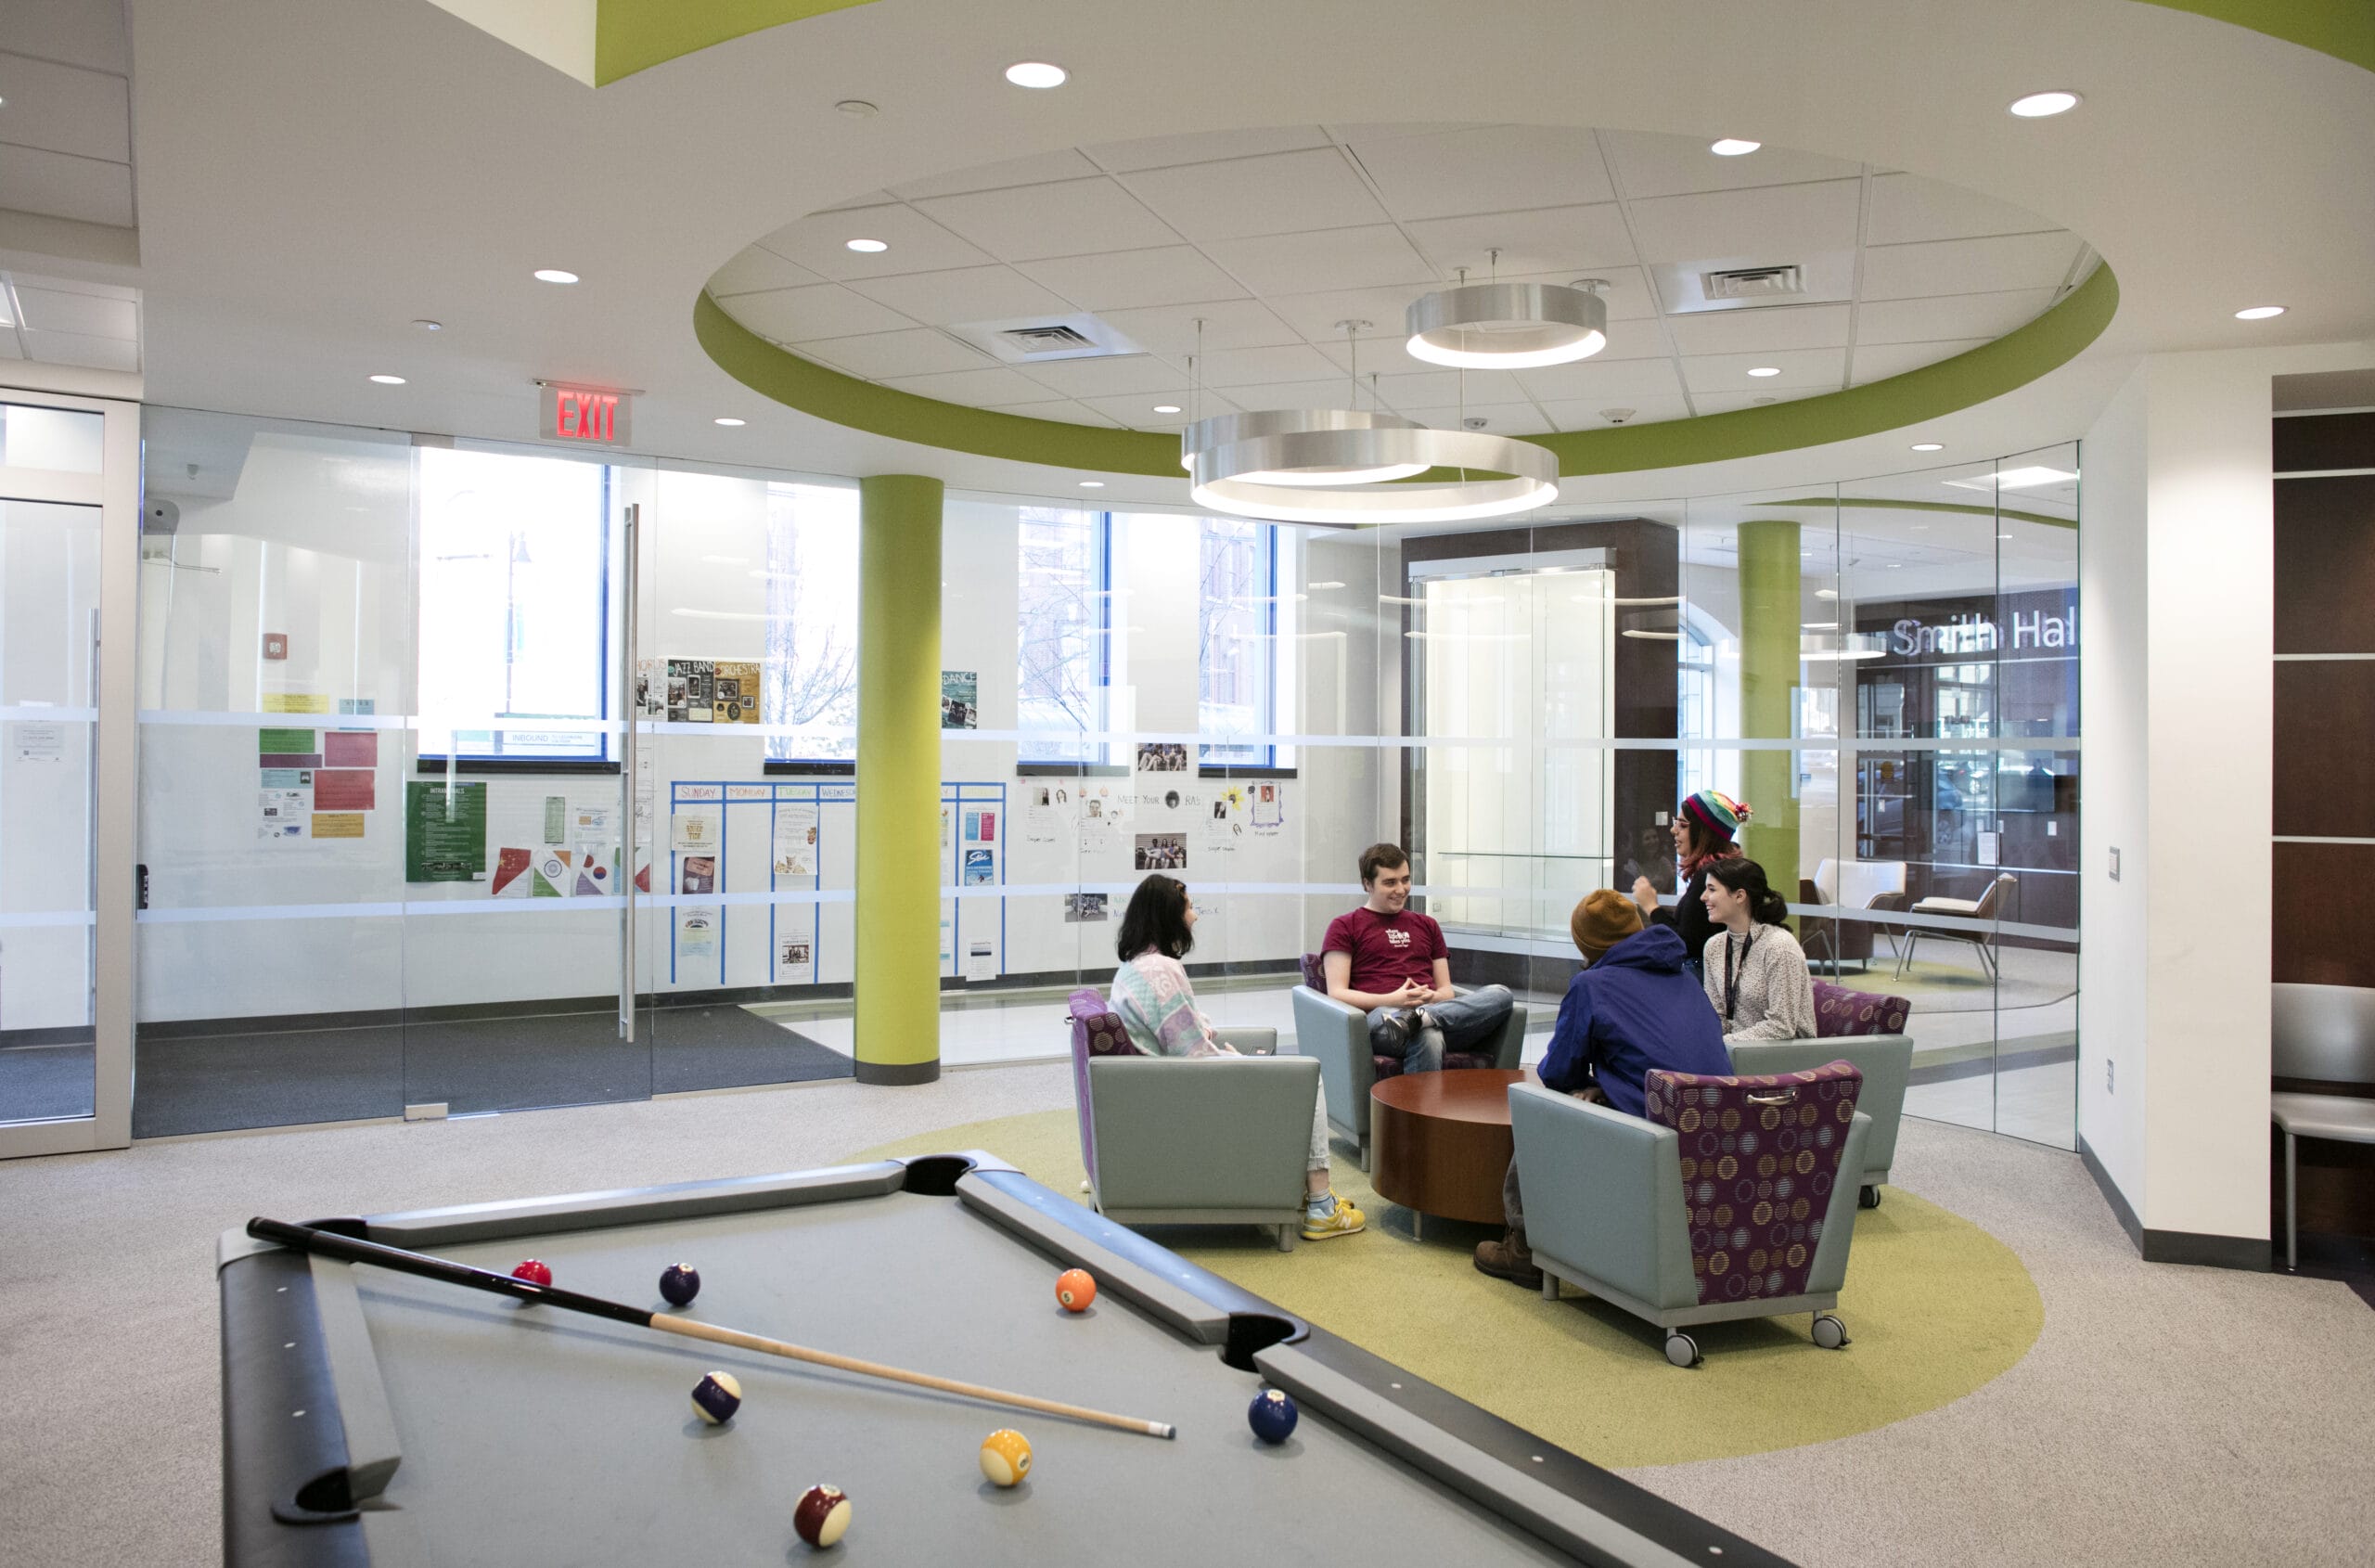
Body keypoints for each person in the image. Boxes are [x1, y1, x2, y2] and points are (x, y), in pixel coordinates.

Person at [1473, 891, 1732, 1288]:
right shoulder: (1685, 977)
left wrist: (1592, 1085)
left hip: (1652, 1131)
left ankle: (1524, 1246)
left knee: (1540, 1106)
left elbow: (1559, 1071)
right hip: (1719, 1127)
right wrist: (1606, 1087)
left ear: (1586, 945)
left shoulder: (1591, 985)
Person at [1108, 875, 1365, 1241]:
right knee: (1310, 1077)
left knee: (1283, 1070)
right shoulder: (1163, 970)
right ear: (1169, 917)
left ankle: (1307, 1194)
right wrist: (1233, 1061)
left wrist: (1217, 1045)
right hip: (1184, 1092)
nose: (1194, 917)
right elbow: (1193, 1055)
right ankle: (1322, 1205)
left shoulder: (1134, 968)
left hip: (1160, 1088)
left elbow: (1176, 1032)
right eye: (1190, 908)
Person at [1322, 842, 1515, 1074]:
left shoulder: (1427, 925)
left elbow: (1446, 991)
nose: (1401, 889)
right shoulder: (1344, 926)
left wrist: (1432, 998)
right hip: (1381, 1019)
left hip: (1434, 1013)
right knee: (1426, 1036)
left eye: (1405, 879)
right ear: (1367, 884)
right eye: (1390, 882)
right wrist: (1393, 999)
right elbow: (1337, 993)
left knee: (1501, 994)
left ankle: (1420, 1019)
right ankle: (1416, 1026)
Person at [1629, 788, 1750, 979]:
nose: (1673, 830)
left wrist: (1651, 906)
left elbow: (1684, 943)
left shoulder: (1708, 876)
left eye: (1683, 825)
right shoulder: (1721, 870)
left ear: (1704, 833)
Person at [1701, 858, 1817, 1042]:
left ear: (1739, 896)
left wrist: (1723, 1044)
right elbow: (1717, 1018)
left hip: (1785, 1058)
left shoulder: (1779, 947)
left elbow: (1782, 1027)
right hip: (1735, 1054)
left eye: (1712, 889)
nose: (1703, 897)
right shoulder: (1714, 947)